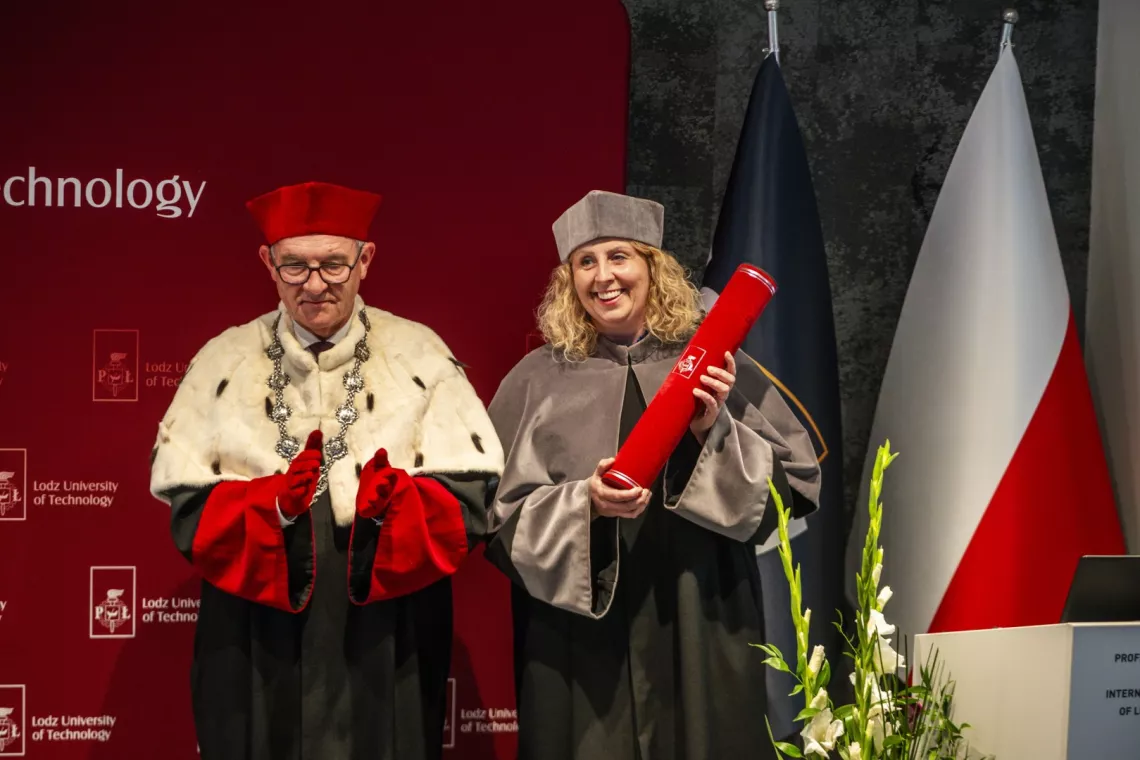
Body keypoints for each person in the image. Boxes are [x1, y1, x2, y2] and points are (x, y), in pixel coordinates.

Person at [148, 181, 503, 760]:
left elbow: (468, 506)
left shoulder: (419, 354)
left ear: (365, 259)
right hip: (254, 621)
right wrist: (268, 508)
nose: (315, 285)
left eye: (334, 264)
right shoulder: (223, 359)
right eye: (295, 267)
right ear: (267, 263)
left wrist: (401, 508)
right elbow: (189, 514)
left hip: (386, 617)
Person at [485, 190, 822, 759]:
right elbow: (496, 519)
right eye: (585, 263)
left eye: (619, 256)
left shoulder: (714, 360)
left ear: (652, 267)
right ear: (569, 282)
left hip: (700, 607)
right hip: (580, 633)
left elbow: (786, 497)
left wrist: (711, 431)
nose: (603, 277)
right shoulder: (536, 378)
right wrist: (582, 503)